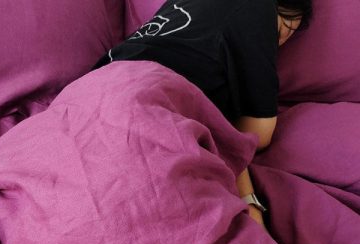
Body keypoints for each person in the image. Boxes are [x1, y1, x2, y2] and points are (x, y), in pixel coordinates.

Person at [94, 0, 313, 230]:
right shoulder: (260, 6)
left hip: (91, 89)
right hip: (140, 99)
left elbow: (224, 135)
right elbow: (259, 133)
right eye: (280, 35)